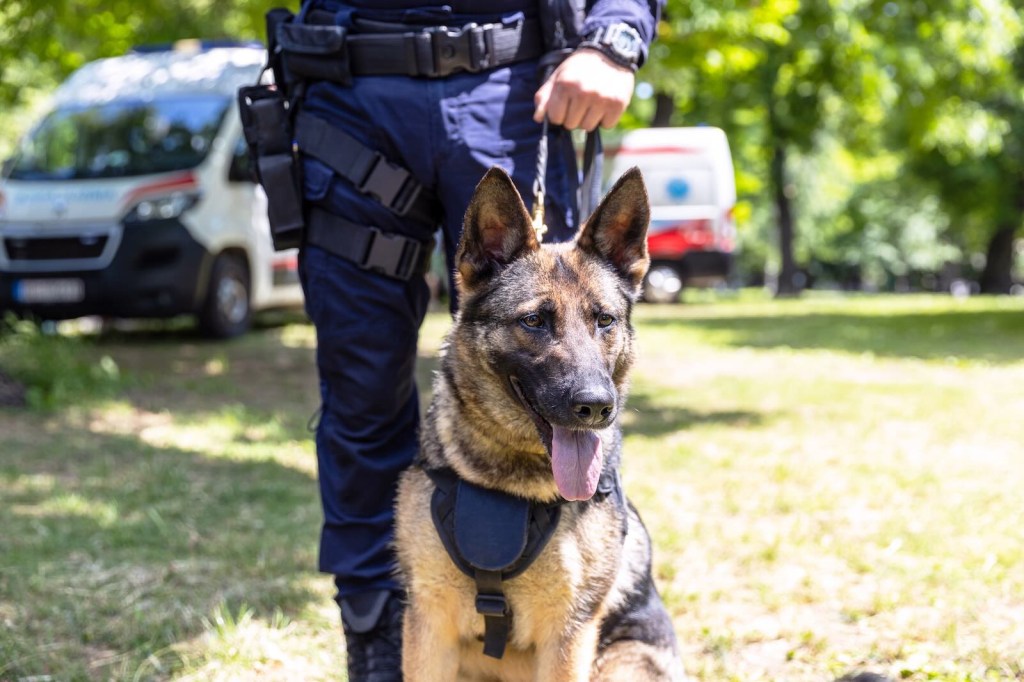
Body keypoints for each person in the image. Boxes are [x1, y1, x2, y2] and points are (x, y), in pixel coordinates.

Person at [273, 1, 662, 679]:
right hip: (347, 90)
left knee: (570, 358)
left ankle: (581, 622)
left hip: (513, 84)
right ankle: (376, 648)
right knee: (360, 398)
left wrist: (615, 37)